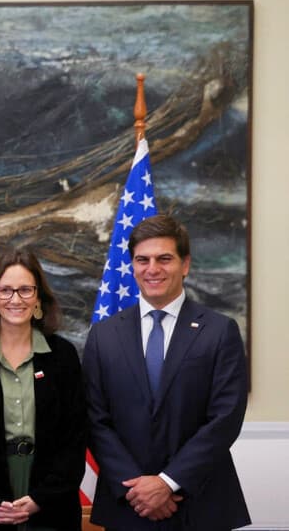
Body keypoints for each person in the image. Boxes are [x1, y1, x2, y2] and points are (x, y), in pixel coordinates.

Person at [83, 214, 250, 530]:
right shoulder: (103, 335)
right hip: (127, 505)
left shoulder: (219, 331)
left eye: (164, 259)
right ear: (132, 266)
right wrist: (137, 488)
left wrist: (168, 482)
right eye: (142, 260)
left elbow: (225, 418)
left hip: (200, 504)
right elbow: (94, 417)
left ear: (185, 265)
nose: (152, 269)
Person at [0, 248, 86, 531]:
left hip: (50, 505)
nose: (15, 299)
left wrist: (39, 499)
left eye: (25, 290)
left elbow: (75, 437)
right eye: (6, 291)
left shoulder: (63, 356)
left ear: (38, 299)